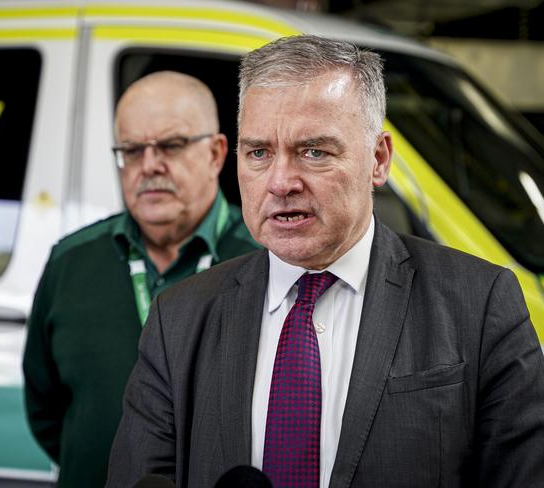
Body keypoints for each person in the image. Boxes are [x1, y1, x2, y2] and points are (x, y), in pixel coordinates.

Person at [106, 36, 544, 487]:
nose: (280, 182)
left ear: (378, 159)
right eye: (259, 152)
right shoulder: (178, 318)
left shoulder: (481, 304)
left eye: (313, 151)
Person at [22, 71, 259, 488]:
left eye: (171, 145)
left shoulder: (266, 259)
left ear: (217, 154)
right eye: (131, 150)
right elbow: (47, 409)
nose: (149, 165)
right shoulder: (72, 260)